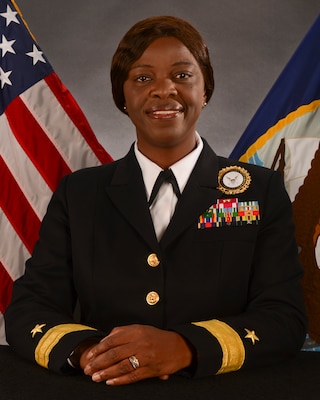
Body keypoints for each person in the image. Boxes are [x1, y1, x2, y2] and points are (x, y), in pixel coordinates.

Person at [5, 15, 307, 386]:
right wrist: (91, 353)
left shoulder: (259, 191)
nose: (164, 90)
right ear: (123, 98)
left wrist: (187, 347)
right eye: (143, 78)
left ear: (206, 90)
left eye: (182, 75)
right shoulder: (80, 194)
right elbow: (28, 309)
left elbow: (284, 317)